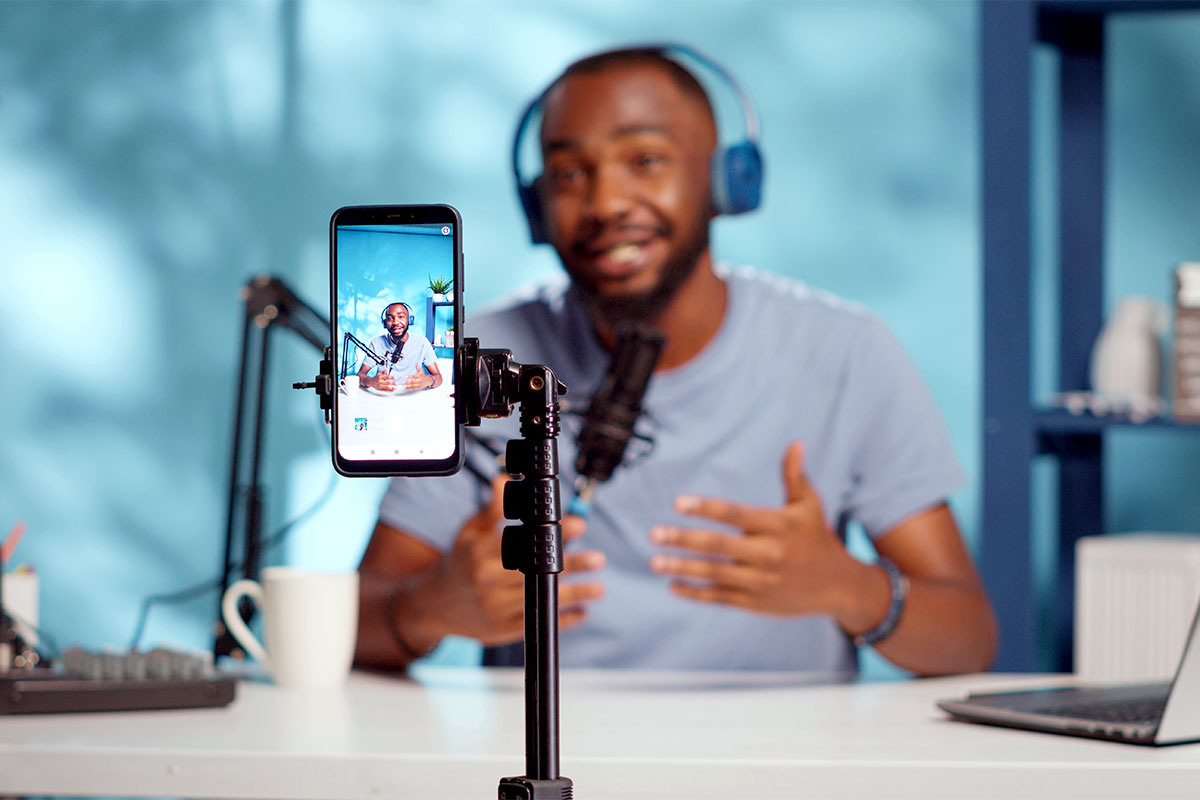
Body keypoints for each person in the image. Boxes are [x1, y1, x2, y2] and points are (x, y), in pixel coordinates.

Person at [354, 46, 997, 676]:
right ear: (537, 207)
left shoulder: (846, 350)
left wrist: (852, 591)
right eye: (570, 173)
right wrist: (428, 607)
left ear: (725, 182)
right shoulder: (469, 361)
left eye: (645, 160)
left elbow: (968, 641)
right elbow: (354, 625)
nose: (606, 202)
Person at [359, 302, 442, 392]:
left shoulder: (422, 342)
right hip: (384, 396)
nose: (395, 322)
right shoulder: (376, 343)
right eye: (390, 318)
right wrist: (371, 381)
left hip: (412, 395)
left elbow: (438, 378)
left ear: (409, 320)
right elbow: (360, 376)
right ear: (385, 323)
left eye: (401, 317)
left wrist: (428, 380)